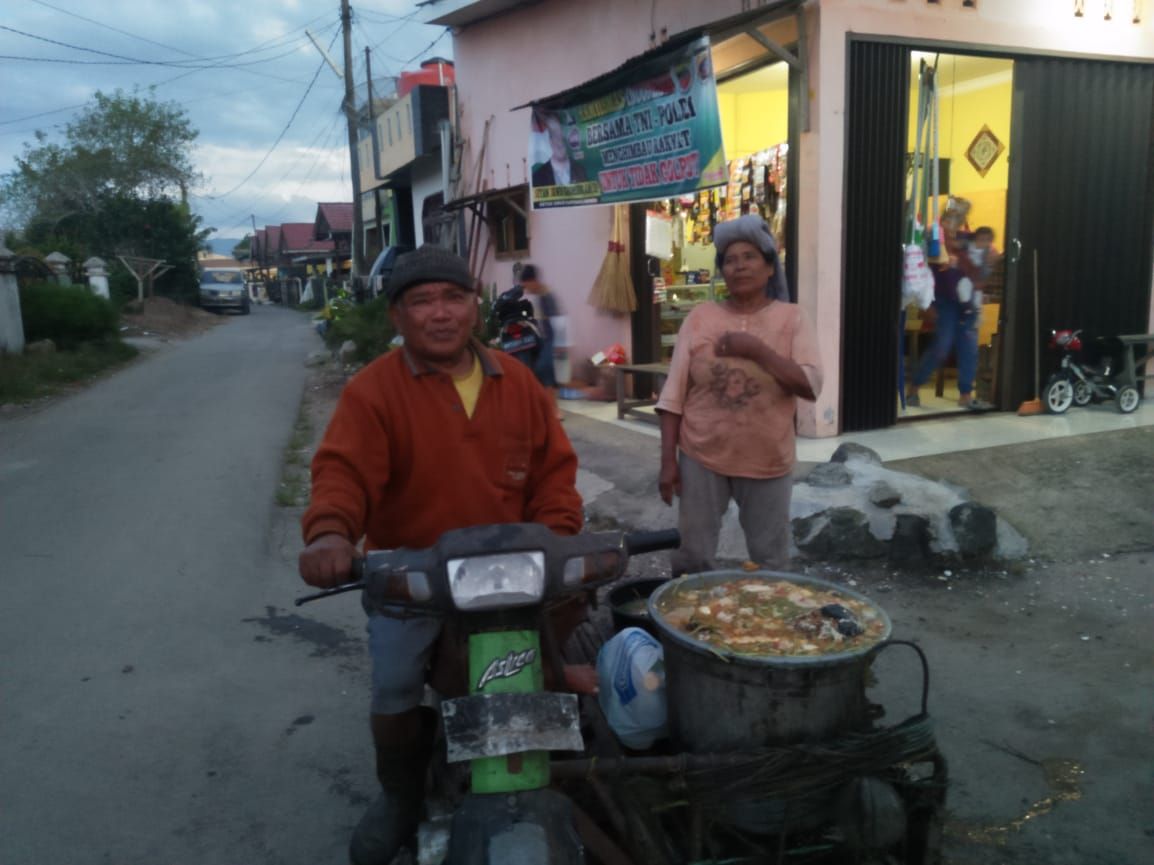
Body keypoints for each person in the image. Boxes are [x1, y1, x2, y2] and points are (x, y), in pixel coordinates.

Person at [298, 245, 583, 865]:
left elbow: (555, 477)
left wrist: (557, 535)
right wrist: (329, 533)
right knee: (396, 686)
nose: (440, 313)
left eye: (453, 298)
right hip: (414, 578)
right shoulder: (371, 393)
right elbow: (342, 473)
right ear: (397, 317)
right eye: (421, 301)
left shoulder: (521, 386)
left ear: (474, 308)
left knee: (563, 650)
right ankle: (399, 793)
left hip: (515, 578)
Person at [655, 214, 822, 576]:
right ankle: (690, 626)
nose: (739, 266)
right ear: (722, 271)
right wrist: (669, 461)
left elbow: (810, 386)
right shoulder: (700, 318)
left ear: (768, 267)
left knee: (770, 563)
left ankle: (759, 630)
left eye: (749, 257)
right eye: (730, 260)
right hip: (701, 456)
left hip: (767, 460)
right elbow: (673, 395)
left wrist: (757, 351)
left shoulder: (793, 319)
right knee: (693, 558)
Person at [905, 202, 991, 411]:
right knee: (941, 346)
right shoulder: (933, 237)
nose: (955, 221)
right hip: (943, 302)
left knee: (968, 347)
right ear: (943, 218)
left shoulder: (967, 240)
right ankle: (914, 388)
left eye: (959, 217)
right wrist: (928, 305)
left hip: (967, 303)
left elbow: (983, 263)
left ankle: (965, 394)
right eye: (951, 216)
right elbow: (921, 267)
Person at [518, 263, 565, 419]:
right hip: (545, 339)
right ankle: (549, 408)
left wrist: (560, 344)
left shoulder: (547, 295)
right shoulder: (540, 295)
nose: (526, 289)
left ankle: (555, 410)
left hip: (552, 339)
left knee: (544, 371)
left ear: (532, 281)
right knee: (543, 372)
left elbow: (558, 320)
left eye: (526, 285)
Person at [530, 111, 587, 187]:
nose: (559, 142)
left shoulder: (581, 171)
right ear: (548, 140)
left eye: (561, 135)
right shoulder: (537, 178)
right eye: (554, 135)